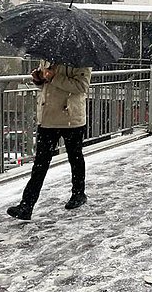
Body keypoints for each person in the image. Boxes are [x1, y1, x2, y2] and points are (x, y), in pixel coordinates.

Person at [7, 61, 92, 220]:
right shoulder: (48, 57)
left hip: (71, 117)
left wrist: (53, 77)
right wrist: (39, 79)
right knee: (40, 163)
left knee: (75, 157)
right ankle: (27, 205)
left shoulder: (79, 60)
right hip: (47, 119)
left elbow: (81, 86)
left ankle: (79, 193)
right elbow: (47, 85)